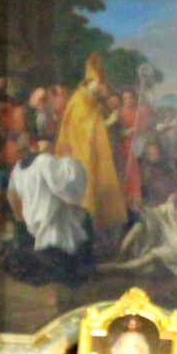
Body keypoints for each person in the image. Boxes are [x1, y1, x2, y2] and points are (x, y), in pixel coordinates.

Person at [56, 53, 129, 237]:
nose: (102, 87)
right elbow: (84, 129)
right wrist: (109, 121)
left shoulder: (91, 99)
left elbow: (96, 119)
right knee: (87, 193)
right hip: (80, 156)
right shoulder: (80, 101)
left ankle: (99, 230)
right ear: (90, 81)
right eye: (100, 83)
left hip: (90, 154)